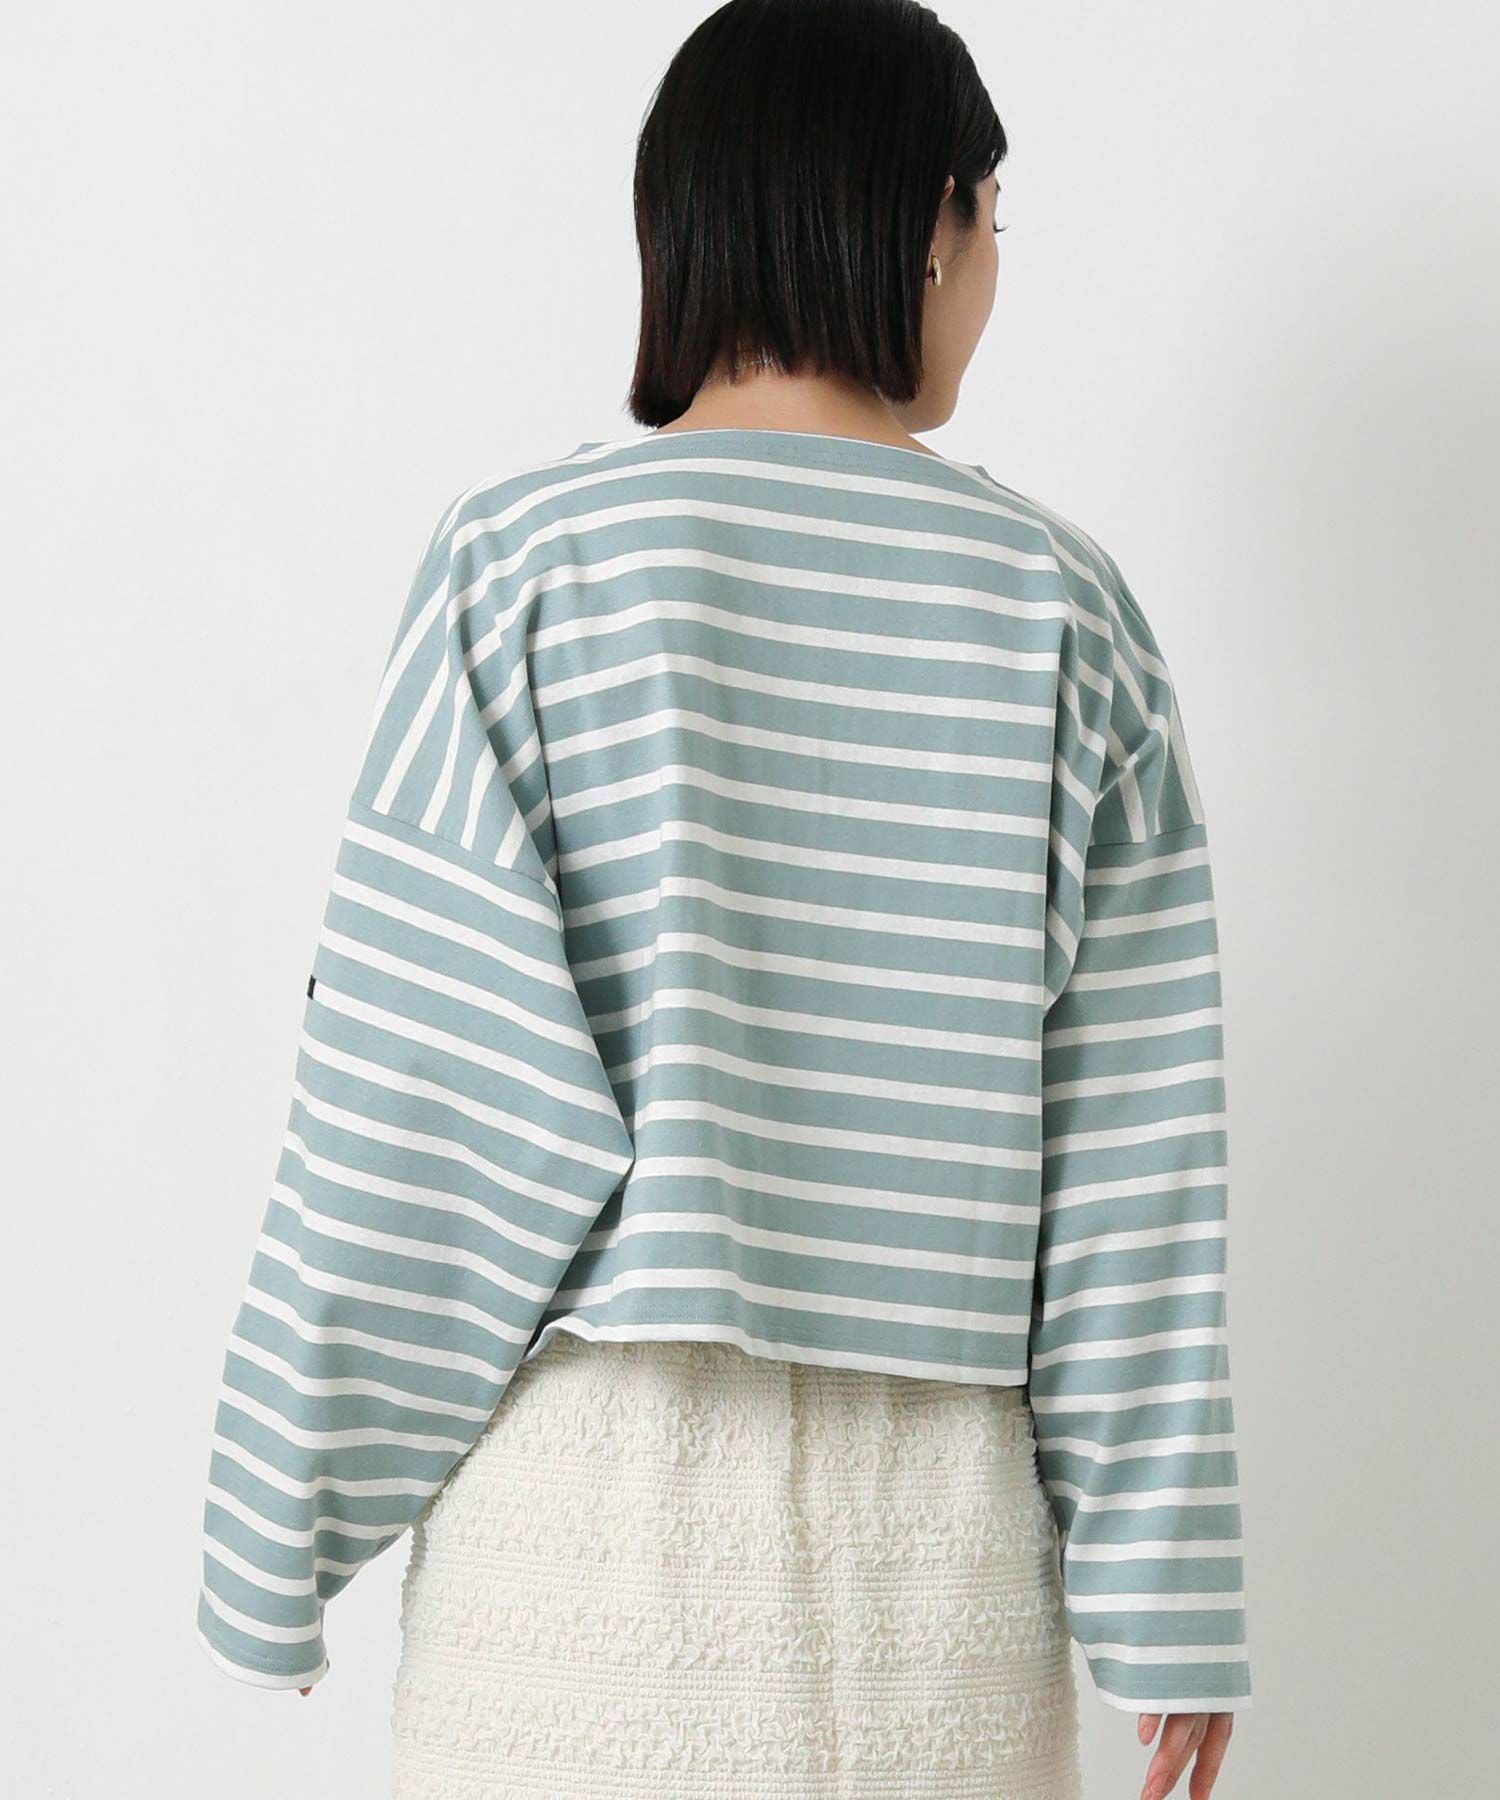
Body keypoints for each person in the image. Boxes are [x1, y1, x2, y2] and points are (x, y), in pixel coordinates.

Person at [194, 3, 1252, 1796]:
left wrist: (277, 1522)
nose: (994, 269)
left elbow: (425, 1097)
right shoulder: (1068, 613)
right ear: (927, 222)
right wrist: (1168, 1599)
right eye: (993, 216)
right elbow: (1129, 1170)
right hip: (936, 1595)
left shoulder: (523, 567)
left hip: (584, 1576)